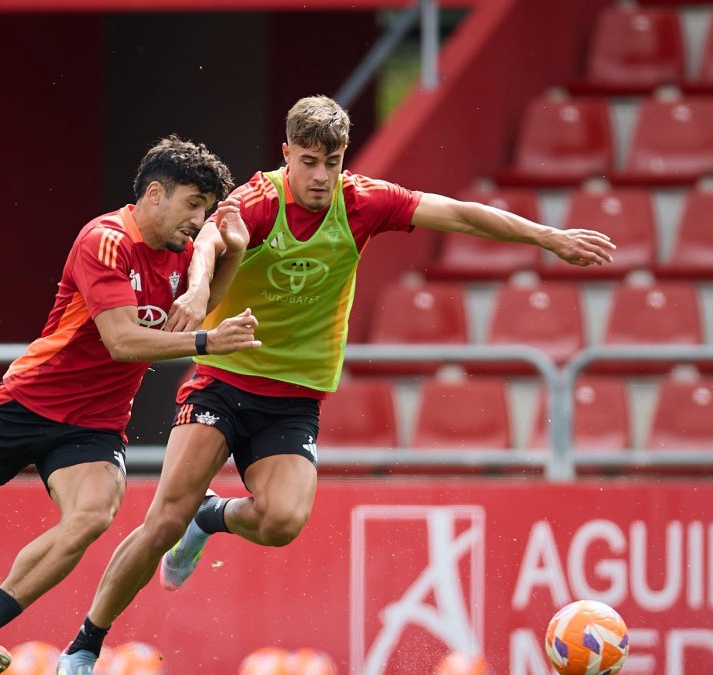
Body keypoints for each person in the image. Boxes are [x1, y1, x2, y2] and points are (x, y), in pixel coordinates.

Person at [56, 95, 617, 673]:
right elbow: (208, 242)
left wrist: (548, 237)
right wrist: (198, 292)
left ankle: (212, 517)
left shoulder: (362, 202)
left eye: (333, 161)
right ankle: (84, 647)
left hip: (295, 397)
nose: (321, 175)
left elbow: (459, 214)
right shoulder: (258, 200)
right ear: (287, 155)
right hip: (224, 379)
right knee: (162, 523)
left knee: (282, 523)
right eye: (309, 161)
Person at [0, 135, 259, 673]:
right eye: (192, 204)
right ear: (155, 193)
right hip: (27, 404)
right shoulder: (104, 241)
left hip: (96, 423)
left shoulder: (180, 253)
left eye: (205, 208)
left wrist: (231, 255)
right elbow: (123, 341)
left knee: (93, 516)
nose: (198, 219)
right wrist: (207, 343)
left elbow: (192, 315)